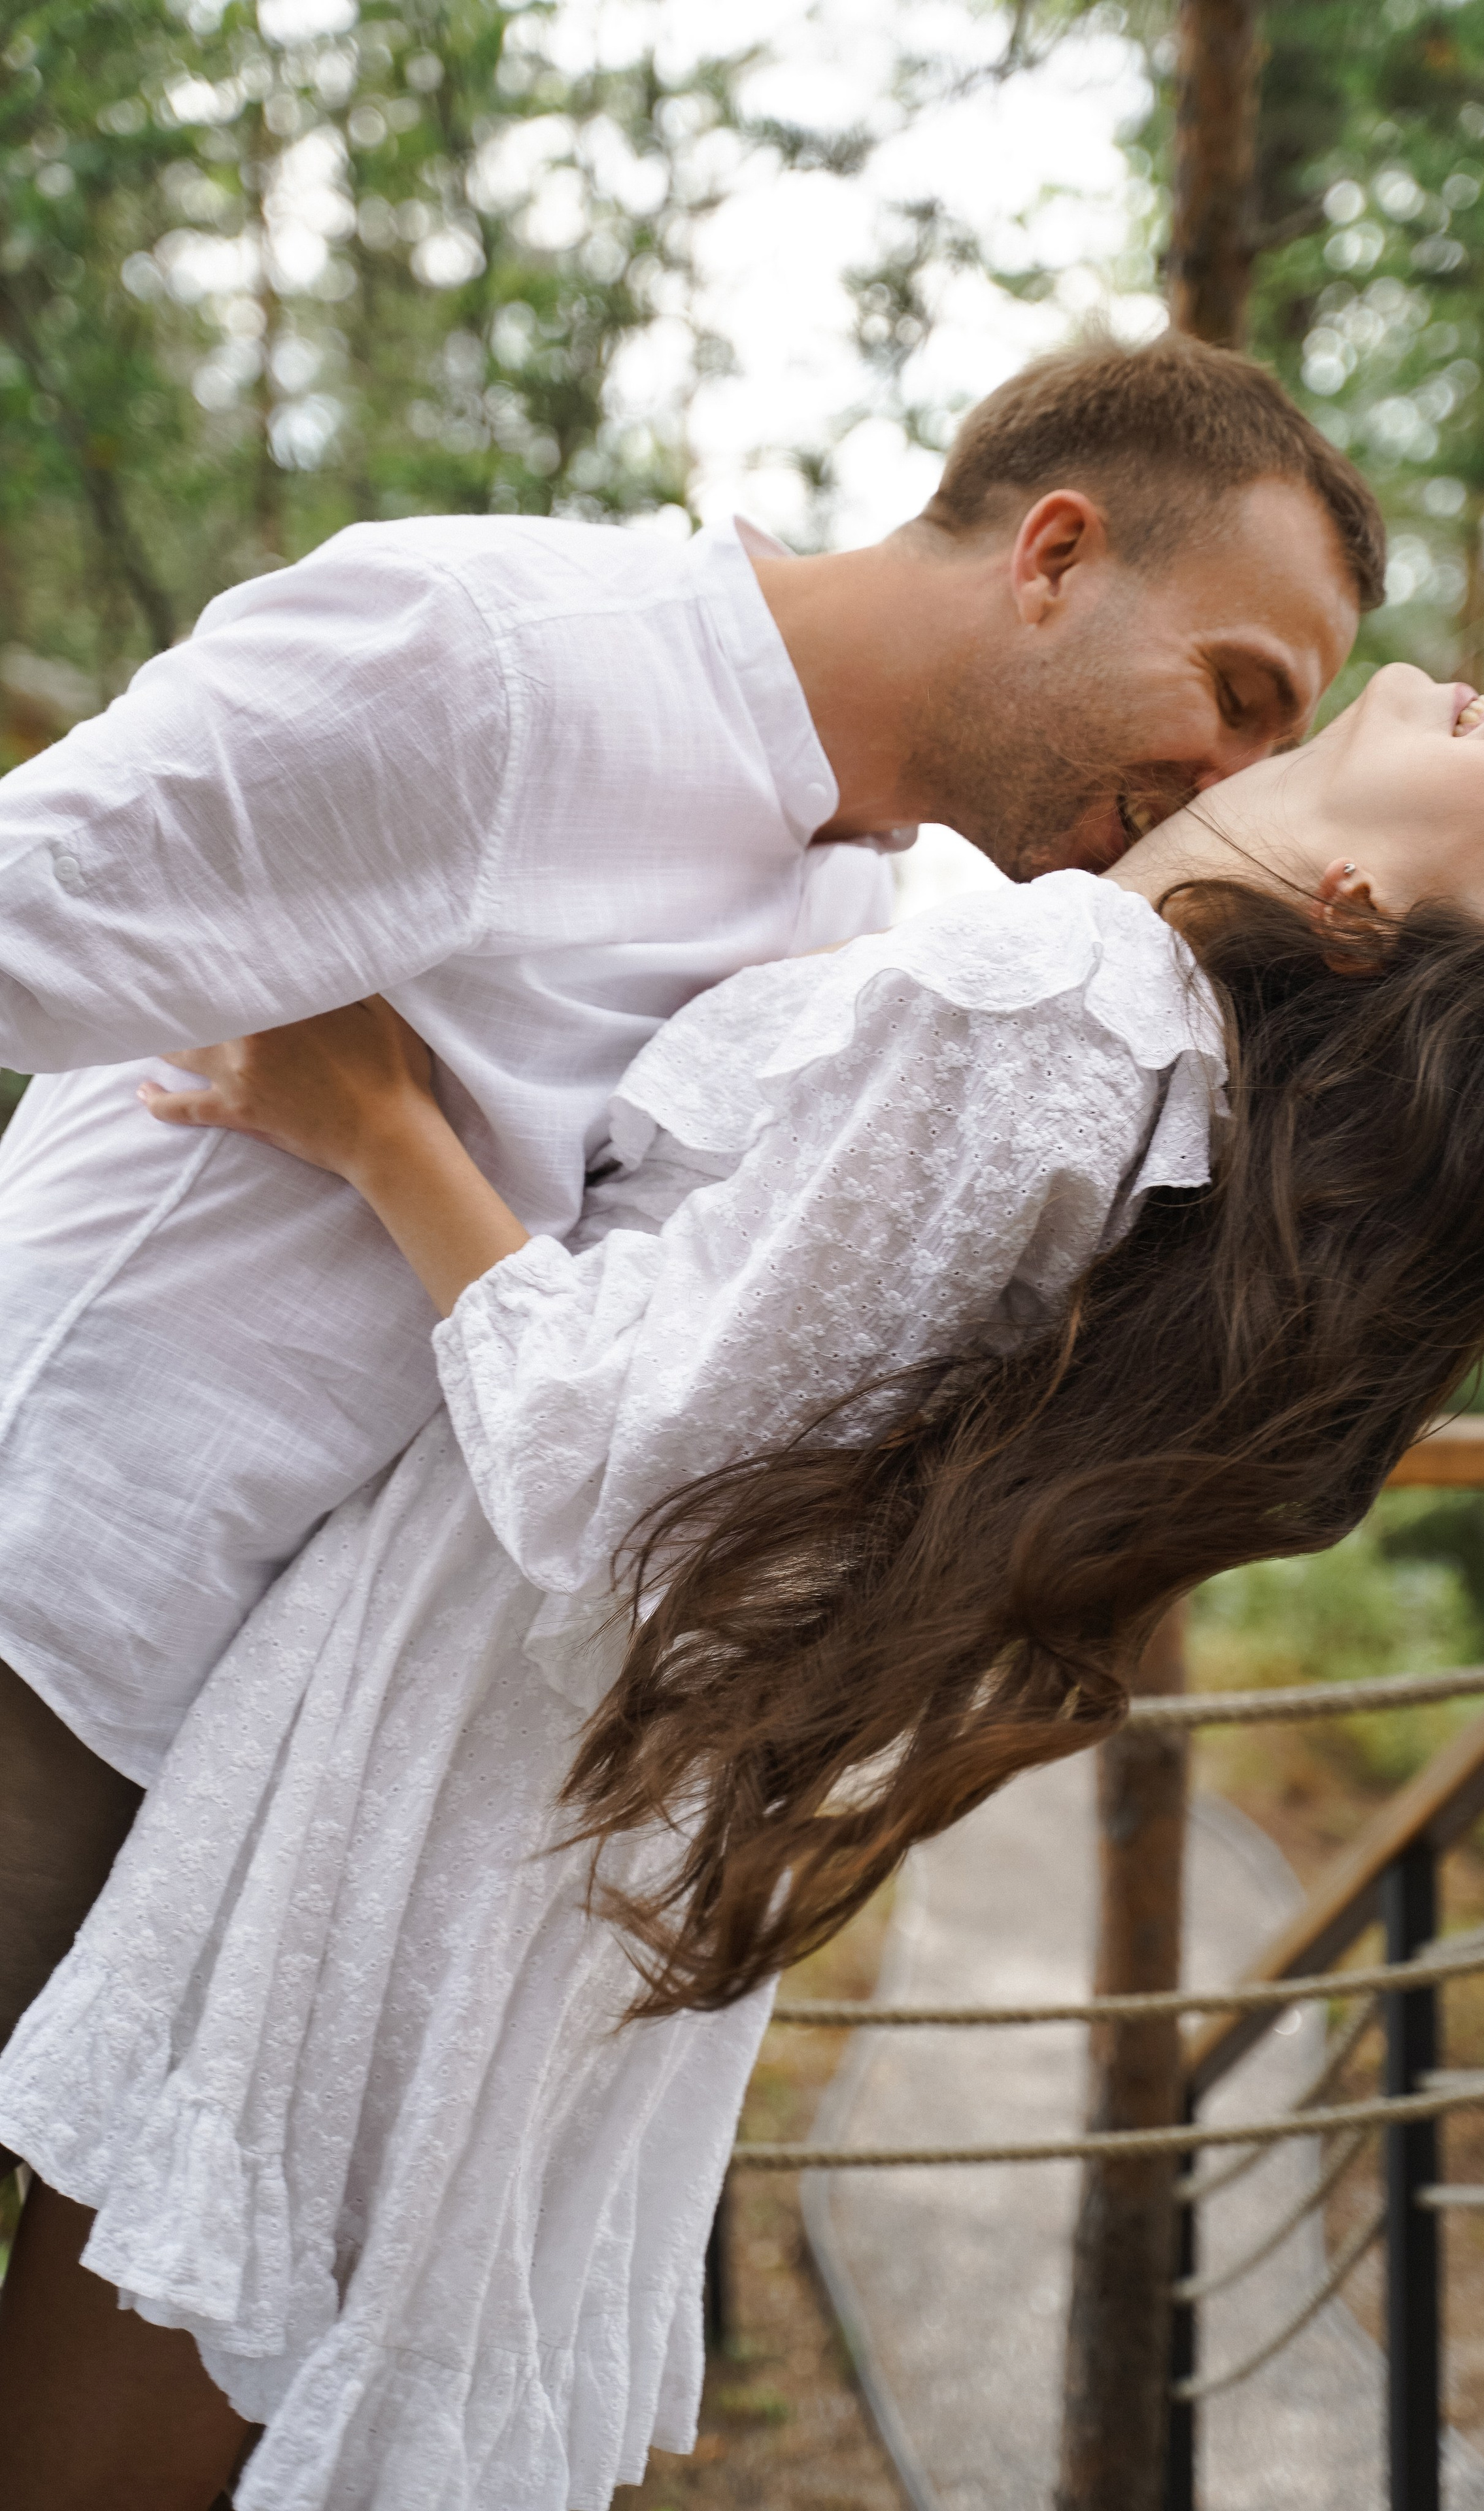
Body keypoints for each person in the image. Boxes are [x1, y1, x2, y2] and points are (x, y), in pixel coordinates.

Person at [2, 664, 1484, 2511]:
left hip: (471, 1737)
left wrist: (378, 1125)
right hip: (565, 1773)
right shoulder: (1143, 1077)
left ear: (1359, 915)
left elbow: (635, 1471)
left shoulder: (1072, 1002)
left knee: (132, 2387)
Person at [0, 333, 1380, 2094]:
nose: (1238, 778)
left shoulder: (859, 917)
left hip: (253, 1753)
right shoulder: (504, 652)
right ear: (1054, 555)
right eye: (1241, 692)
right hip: (50, 1594)